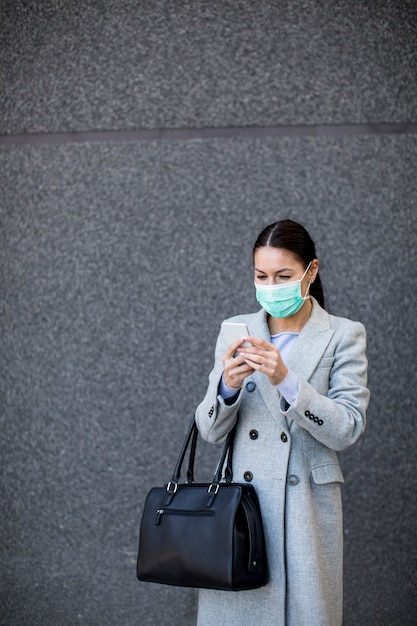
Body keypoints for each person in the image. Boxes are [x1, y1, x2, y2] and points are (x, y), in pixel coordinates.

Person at [195, 219, 370, 626]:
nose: (271, 285)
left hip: (304, 509)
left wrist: (286, 381)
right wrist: (226, 386)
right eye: (261, 275)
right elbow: (209, 429)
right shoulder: (238, 331)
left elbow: (348, 426)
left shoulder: (343, 335)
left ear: (311, 272)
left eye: (283, 275)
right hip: (240, 513)